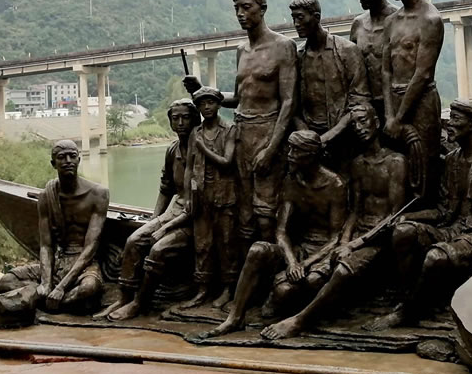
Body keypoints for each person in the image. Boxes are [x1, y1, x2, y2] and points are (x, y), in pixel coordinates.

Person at [365, 99, 472, 331]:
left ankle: (408, 312)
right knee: (403, 232)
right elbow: (443, 211)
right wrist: (409, 217)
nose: (449, 125)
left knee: (435, 257)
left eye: (456, 119)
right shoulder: (452, 160)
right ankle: (407, 297)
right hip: (451, 229)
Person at [260, 102, 407, 340]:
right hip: (355, 235)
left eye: (363, 120)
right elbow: (354, 212)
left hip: (379, 237)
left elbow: (393, 216)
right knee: (310, 279)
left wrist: (354, 244)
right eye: (354, 123)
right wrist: (344, 241)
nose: (359, 127)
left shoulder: (396, 162)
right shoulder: (357, 164)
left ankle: (299, 321)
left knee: (342, 270)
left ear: (377, 122)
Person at [204, 131, 347, 338]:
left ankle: (292, 310)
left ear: (311, 155)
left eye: (295, 151)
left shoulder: (335, 185)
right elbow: (281, 231)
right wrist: (292, 261)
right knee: (258, 249)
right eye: (290, 149)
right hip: (297, 249)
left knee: (298, 286)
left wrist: (305, 264)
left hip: (323, 252)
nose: (289, 155)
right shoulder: (291, 181)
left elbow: (336, 238)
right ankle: (235, 318)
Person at [184, 0, 297, 243]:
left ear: (262, 9)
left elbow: (289, 102)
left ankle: (270, 259)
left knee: (266, 212)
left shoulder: (283, 46)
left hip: (268, 132)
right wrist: (202, 90)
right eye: (236, 9)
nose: (240, 14)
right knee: (243, 209)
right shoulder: (241, 50)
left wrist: (271, 149)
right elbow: (238, 98)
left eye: (246, 7)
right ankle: (247, 263)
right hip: (240, 134)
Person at [94, 101, 198, 321]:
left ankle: (140, 303)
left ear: (194, 119)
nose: (180, 123)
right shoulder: (172, 150)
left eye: (185, 117)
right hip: (173, 213)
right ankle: (124, 298)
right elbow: (166, 189)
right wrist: (154, 220)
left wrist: (164, 228)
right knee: (133, 241)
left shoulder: (202, 150)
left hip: (195, 219)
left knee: (158, 250)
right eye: (175, 118)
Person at [0, 139, 109, 314]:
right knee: (6, 281)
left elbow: (91, 247)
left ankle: (45, 302)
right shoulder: (46, 196)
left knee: (88, 288)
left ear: (79, 160)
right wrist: (46, 282)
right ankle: (56, 301)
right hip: (58, 261)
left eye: (72, 156)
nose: (68, 161)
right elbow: (46, 245)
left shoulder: (98, 194)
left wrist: (61, 287)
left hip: (84, 264)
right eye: (61, 157)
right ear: (53, 163)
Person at [379, 0, 445, 202]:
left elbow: (423, 73)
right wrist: (389, 116)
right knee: (398, 168)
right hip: (394, 102)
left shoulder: (430, 20)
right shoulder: (391, 22)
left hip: (421, 102)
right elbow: (386, 71)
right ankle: (398, 217)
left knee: (423, 168)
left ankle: (426, 215)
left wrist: (399, 118)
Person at [174, 85, 241, 311]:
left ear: (219, 105)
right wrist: (188, 197)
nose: (207, 107)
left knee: (226, 243)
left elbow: (227, 161)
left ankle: (228, 290)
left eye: (210, 102)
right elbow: (189, 167)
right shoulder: (196, 132)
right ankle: (202, 290)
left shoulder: (230, 129)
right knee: (202, 244)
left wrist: (203, 148)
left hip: (224, 196)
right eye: (202, 104)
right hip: (201, 196)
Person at [290, 0, 370, 171]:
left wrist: (326, 138)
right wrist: (307, 137)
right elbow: (292, 103)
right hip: (308, 141)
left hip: (344, 138)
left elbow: (360, 101)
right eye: (293, 18)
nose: (296, 23)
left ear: (316, 17)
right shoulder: (298, 56)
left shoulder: (347, 51)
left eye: (300, 17)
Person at [347, 0, 397, 121]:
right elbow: (352, 70)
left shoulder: (398, 19)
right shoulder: (358, 24)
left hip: (395, 105)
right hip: (367, 109)